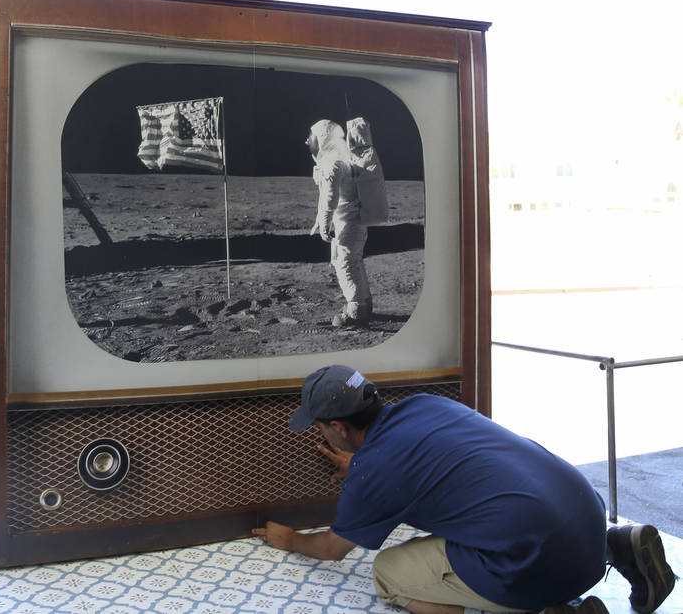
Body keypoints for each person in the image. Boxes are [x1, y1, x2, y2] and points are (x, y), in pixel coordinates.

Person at [252, 365, 677, 614]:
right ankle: (619, 545)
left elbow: (332, 548)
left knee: (388, 573)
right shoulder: (425, 404)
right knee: (504, 514)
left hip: (543, 564)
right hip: (586, 514)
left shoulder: (376, 469)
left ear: (338, 428)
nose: (323, 431)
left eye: (322, 425)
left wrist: (290, 540)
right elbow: (440, 462)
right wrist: (364, 467)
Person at [307, 118, 386, 327]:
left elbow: (329, 198)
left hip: (348, 222)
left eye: (311, 136)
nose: (307, 141)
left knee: (345, 263)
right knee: (353, 261)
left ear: (322, 138)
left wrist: (324, 224)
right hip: (351, 221)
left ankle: (357, 311)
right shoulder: (338, 159)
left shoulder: (332, 163)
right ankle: (364, 304)